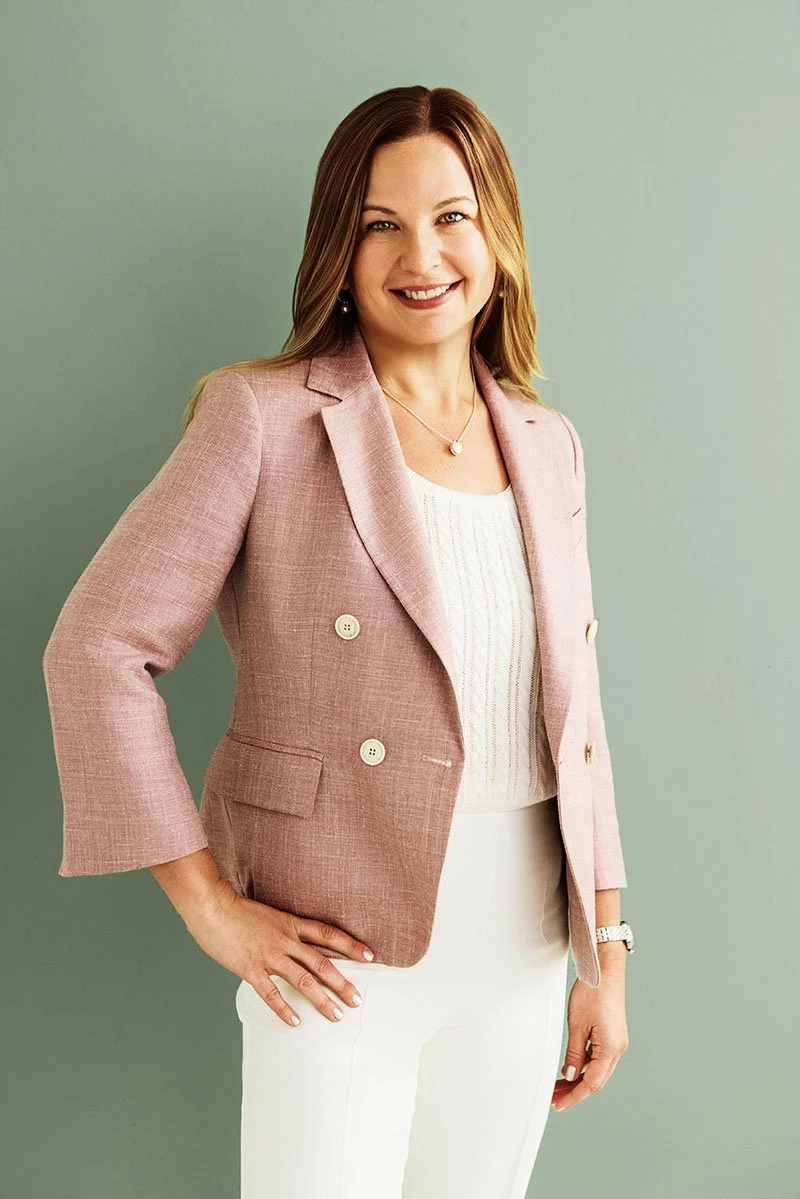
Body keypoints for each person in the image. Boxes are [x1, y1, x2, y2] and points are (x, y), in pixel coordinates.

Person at [43, 85, 633, 1199]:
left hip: (523, 949)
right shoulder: (260, 416)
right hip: (335, 952)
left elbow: (577, 713)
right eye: (380, 224)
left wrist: (607, 952)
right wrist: (211, 907)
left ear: (497, 237)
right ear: (339, 252)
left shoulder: (546, 442)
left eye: (452, 216)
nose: (423, 254)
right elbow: (95, 646)